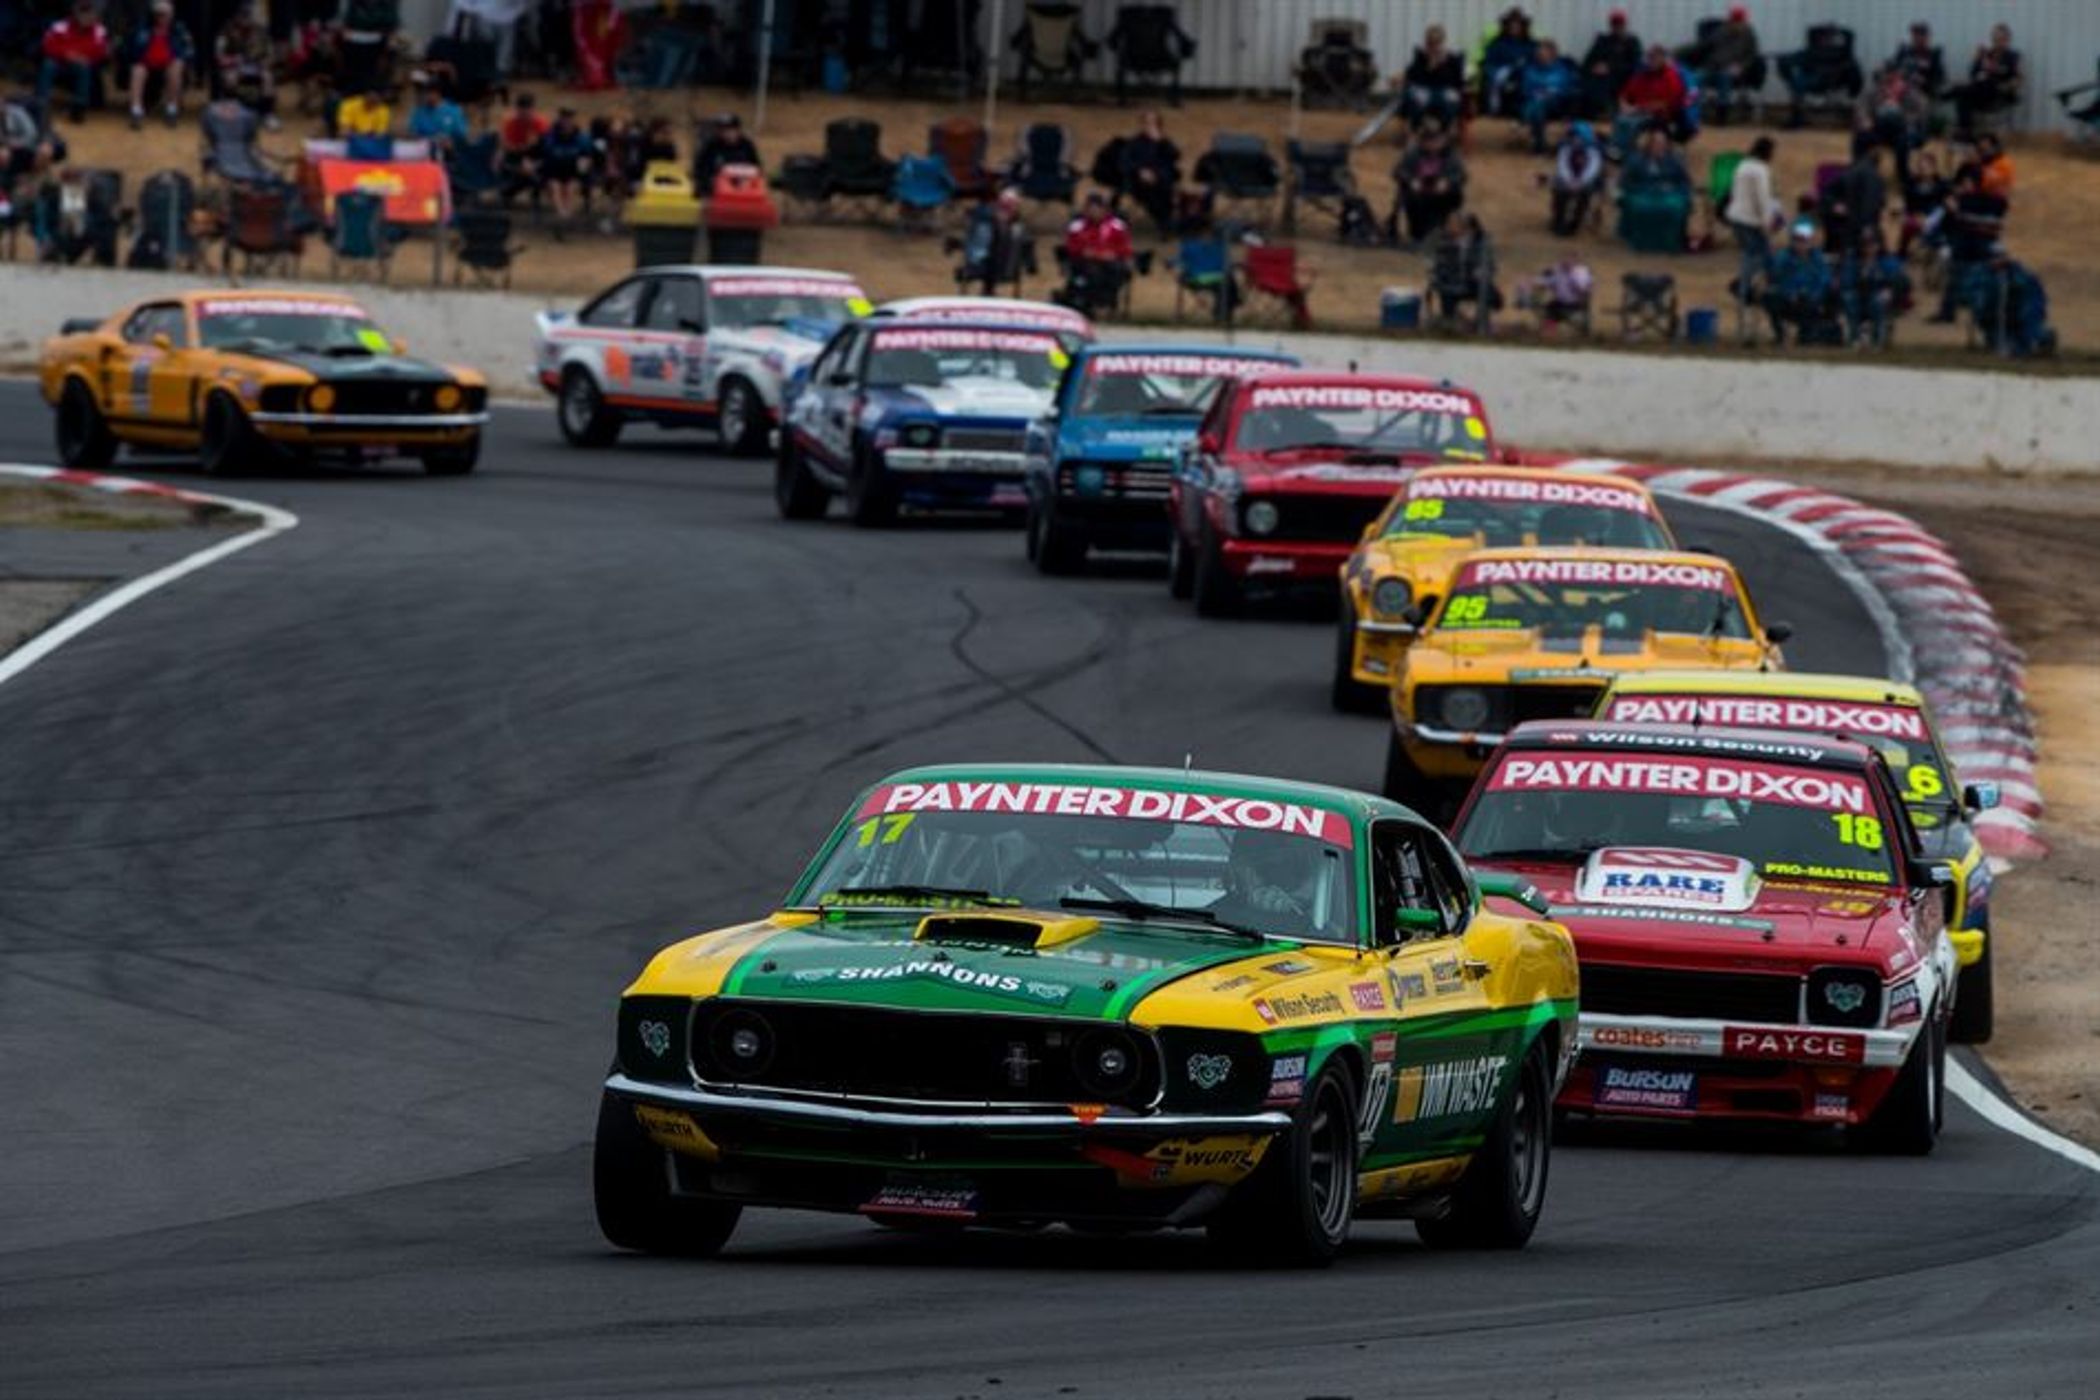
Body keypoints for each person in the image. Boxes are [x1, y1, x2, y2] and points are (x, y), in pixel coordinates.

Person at [1928, 163, 2006, 322]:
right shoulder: (1999, 203)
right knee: (1983, 279)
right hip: (1985, 245)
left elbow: (1957, 210)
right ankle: (1984, 312)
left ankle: (1949, 312)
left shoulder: (1970, 200)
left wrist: (1955, 198)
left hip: (1968, 244)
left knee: (1956, 277)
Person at [1725, 135, 1782, 307]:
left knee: (1752, 255)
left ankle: (1747, 287)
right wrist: (1767, 223)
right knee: (1759, 256)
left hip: (1737, 217)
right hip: (1750, 220)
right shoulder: (1760, 170)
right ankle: (1743, 288)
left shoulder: (1742, 166)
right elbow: (1761, 199)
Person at [1058, 190, 1135, 316]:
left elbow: (1125, 248)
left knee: (1116, 270)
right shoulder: (1077, 226)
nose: (1094, 212)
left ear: (1105, 210)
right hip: (1083, 261)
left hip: (1110, 261)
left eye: (1098, 208)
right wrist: (1085, 252)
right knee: (1092, 271)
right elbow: (1071, 247)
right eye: (1091, 208)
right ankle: (1093, 305)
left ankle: (1107, 304)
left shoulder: (1117, 226)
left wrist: (1113, 254)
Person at [1616, 124, 1691, 250]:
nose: (1660, 146)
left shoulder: (1674, 160)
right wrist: (1649, 188)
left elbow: (1684, 181)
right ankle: (1641, 241)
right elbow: (1625, 182)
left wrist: (1676, 189)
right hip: (1642, 193)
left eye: (1663, 143)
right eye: (1657, 143)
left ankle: (1671, 240)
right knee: (1641, 206)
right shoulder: (1636, 160)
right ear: (1649, 144)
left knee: (1676, 206)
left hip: (1669, 194)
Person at [1390, 119, 1466, 245]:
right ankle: (1417, 233)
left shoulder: (1451, 155)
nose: (1432, 144)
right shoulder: (1413, 153)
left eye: (1436, 140)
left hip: (1442, 194)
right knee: (1410, 198)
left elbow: (1461, 175)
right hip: (1418, 193)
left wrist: (1448, 182)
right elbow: (1398, 171)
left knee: (1452, 197)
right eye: (1428, 140)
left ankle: (1442, 230)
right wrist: (1411, 180)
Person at [1763, 220, 1837, 345]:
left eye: (1804, 240)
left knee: (1819, 300)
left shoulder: (1817, 258)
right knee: (1770, 297)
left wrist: (1811, 294)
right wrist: (1790, 293)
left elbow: (1824, 280)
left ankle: (1808, 334)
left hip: (1811, 300)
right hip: (1789, 299)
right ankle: (1780, 334)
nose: (1801, 244)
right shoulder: (1784, 256)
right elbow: (1776, 275)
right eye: (1797, 240)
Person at [1969, 243, 2051, 357]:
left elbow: (2034, 291)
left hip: (2018, 314)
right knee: (2005, 342)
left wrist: (2015, 287)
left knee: (2029, 327)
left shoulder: (2018, 272)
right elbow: (1973, 294)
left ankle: (2039, 340)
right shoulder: (1979, 273)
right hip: (1993, 318)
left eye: (2001, 256)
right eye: (1994, 257)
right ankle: (2017, 346)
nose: (1998, 260)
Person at [37, 0, 110, 123]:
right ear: (76, 14)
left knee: (84, 68)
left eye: (90, 13)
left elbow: (101, 51)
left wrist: (81, 57)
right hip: (60, 62)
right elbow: (48, 46)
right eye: (84, 13)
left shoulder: (99, 30)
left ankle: (78, 107)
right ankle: (40, 104)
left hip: (83, 64)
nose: (88, 17)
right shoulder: (60, 26)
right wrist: (67, 54)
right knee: (48, 65)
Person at [122, 0, 191, 130]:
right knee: (137, 70)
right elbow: (130, 49)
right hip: (146, 63)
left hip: (169, 62)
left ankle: (172, 109)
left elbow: (188, 49)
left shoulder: (178, 29)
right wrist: (139, 58)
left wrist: (181, 58)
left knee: (176, 67)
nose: (162, 18)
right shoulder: (142, 29)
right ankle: (136, 111)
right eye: (159, 14)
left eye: (165, 14)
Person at [1685, 6, 1760, 124]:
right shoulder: (1720, 31)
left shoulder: (1749, 35)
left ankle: (1722, 113)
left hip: (1732, 68)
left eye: (1738, 21)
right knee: (1695, 78)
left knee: (1724, 77)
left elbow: (1751, 56)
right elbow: (1703, 46)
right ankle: (1694, 110)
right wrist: (1679, 52)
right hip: (1712, 66)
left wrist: (1741, 67)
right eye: (1733, 21)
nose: (1736, 24)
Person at [1839, 226, 1909, 347]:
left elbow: (1901, 281)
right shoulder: (1853, 261)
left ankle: (1877, 338)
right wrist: (1861, 276)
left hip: (1877, 296)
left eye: (1872, 244)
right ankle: (1854, 337)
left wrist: (1890, 291)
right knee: (1849, 299)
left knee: (1877, 301)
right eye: (1865, 244)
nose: (1869, 248)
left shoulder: (1887, 261)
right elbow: (1846, 281)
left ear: (1879, 244)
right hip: (1859, 296)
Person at [1429, 210, 1500, 327]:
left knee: (1485, 289)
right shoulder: (1444, 243)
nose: (1450, 227)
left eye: (1454, 225)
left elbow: (1489, 265)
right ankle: (1449, 322)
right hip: (1450, 281)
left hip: (1473, 282)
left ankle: (1480, 323)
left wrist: (1480, 271)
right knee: (1446, 290)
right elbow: (1438, 265)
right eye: (1450, 224)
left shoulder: (1481, 244)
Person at [1948, 24, 2022, 135]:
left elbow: (2018, 78)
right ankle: (1965, 131)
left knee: (1966, 90)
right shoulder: (1985, 54)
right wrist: (1976, 59)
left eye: (2000, 39)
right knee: (1964, 96)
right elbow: (1973, 74)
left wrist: (2008, 85)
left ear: (2007, 40)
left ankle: (1951, 94)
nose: (1997, 42)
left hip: (1998, 92)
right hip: (1979, 91)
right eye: (1995, 38)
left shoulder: (2012, 57)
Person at [212, 5, 276, 127]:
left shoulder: (261, 32)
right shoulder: (226, 33)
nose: (245, 20)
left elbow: (270, 55)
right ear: (236, 18)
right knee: (230, 78)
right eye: (242, 17)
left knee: (267, 78)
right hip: (235, 68)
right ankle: (231, 115)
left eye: (248, 17)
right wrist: (234, 61)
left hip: (257, 67)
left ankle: (268, 115)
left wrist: (264, 63)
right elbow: (219, 58)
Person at [960, 187, 1030, 296]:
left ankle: (988, 288)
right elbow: (977, 249)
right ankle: (988, 288)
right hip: (984, 264)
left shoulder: (1015, 228)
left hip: (1001, 266)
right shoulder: (984, 223)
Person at [1116, 110, 1179, 231]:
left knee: (1164, 189)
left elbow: (1174, 157)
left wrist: (1162, 142)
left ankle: (1164, 220)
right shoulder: (1134, 142)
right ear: (1142, 125)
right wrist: (1140, 171)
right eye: (1147, 123)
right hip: (1138, 180)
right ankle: (1162, 221)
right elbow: (1125, 162)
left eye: (1153, 123)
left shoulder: (1164, 142)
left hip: (1161, 179)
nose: (1150, 126)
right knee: (1149, 190)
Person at [1619, 43, 1693, 144]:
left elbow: (1668, 104)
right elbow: (1625, 94)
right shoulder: (1641, 76)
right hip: (1638, 114)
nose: (1651, 60)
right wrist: (1624, 105)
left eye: (1654, 57)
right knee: (1621, 120)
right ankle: (1619, 147)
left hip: (1662, 117)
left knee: (1637, 127)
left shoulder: (1671, 76)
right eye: (1649, 57)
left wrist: (1638, 109)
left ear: (1663, 59)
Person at [1517, 39, 1581, 153]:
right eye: (1539, 52)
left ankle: (1537, 140)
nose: (1540, 54)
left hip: (1555, 103)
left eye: (1543, 52)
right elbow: (1525, 89)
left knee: (1537, 107)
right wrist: (1538, 93)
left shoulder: (1562, 70)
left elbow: (1566, 88)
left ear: (1552, 53)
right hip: (1534, 101)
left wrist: (1550, 93)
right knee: (1536, 106)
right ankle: (1538, 141)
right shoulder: (1530, 69)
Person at [1821, 142, 1886, 254]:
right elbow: (1872, 205)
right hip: (1859, 231)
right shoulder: (1872, 176)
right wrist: (1867, 225)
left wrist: (1833, 205)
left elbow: (1826, 194)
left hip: (1841, 228)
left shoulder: (1849, 171)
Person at [1398, 24, 1464, 133]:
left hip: (1443, 90)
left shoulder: (1452, 59)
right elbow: (1413, 77)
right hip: (1425, 90)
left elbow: (1457, 81)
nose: (1434, 46)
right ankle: (1420, 125)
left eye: (1437, 42)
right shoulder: (1421, 57)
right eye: (1430, 43)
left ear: (1442, 42)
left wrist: (1442, 66)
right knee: (1415, 97)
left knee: (1451, 99)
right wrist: (1429, 67)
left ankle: (1443, 127)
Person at [538, 105, 594, 230]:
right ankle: (562, 215)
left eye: (570, 118)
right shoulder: (550, 137)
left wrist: (584, 164)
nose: (567, 121)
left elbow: (587, 157)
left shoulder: (582, 138)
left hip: (573, 172)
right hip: (553, 172)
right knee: (555, 186)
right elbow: (542, 154)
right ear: (560, 119)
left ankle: (566, 216)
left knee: (570, 187)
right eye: (564, 118)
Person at [1547, 120, 1604, 236]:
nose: (1575, 140)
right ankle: (1558, 220)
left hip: (1585, 180)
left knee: (1586, 194)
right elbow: (1562, 165)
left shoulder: (1594, 150)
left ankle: (1575, 223)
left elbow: (1592, 169)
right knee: (1559, 190)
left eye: (1577, 137)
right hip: (1567, 179)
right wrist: (1569, 181)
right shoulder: (1565, 146)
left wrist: (1580, 182)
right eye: (1572, 137)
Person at [1479, 9, 1538, 119]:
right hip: (1500, 78)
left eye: (1517, 25)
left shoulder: (1531, 45)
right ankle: (1494, 111)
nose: (1514, 27)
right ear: (1506, 26)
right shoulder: (1496, 43)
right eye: (1511, 25)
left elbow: (1536, 64)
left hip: (1522, 78)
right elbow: (1488, 63)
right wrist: (1496, 74)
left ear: (1523, 26)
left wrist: (1518, 71)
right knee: (1491, 81)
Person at [1579, 9, 1640, 117]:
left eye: (1620, 24)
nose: (1617, 27)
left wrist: (1610, 68)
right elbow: (1587, 61)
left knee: (1605, 83)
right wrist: (1594, 67)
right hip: (1598, 77)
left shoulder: (1632, 42)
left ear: (1624, 25)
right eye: (1614, 24)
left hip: (1620, 77)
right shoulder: (1602, 41)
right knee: (1587, 83)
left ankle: (1606, 110)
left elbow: (1634, 65)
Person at [1516, 253, 1592, 332]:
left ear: (1575, 261)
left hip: (1575, 304)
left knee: (1554, 311)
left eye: (1569, 260)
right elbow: (1548, 281)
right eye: (1564, 261)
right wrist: (1529, 282)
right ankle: (1550, 333)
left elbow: (1584, 288)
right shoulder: (1560, 273)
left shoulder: (1581, 272)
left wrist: (1580, 288)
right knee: (1548, 311)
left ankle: (1578, 328)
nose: (1565, 262)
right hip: (1561, 303)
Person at [339, 0, 399, 97]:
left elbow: (392, 27)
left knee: (390, 52)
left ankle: (376, 89)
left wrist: (388, 39)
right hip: (355, 41)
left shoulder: (387, 5)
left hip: (378, 42)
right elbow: (347, 23)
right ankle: (348, 88)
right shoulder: (355, 4)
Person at [1897, 148, 1951, 256]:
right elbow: (1906, 206)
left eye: (1926, 167)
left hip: (1934, 221)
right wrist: (1913, 217)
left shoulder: (1942, 186)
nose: (1922, 169)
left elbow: (1945, 207)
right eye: (1920, 167)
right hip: (1914, 219)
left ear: (1933, 168)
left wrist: (1928, 220)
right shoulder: (1911, 185)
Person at [498, 90, 549, 204]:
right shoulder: (512, 122)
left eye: (527, 112)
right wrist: (521, 153)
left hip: (537, 156)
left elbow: (543, 146)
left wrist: (530, 159)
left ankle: (525, 188)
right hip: (517, 155)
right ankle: (511, 190)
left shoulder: (540, 122)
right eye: (521, 112)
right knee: (516, 168)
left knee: (533, 170)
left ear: (532, 110)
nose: (524, 116)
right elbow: (508, 146)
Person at [692, 111, 758, 191]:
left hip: (743, 189)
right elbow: (700, 170)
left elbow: (756, 168)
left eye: (730, 129)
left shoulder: (746, 146)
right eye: (722, 130)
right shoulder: (711, 146)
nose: (727, 133)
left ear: (738, 130)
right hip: (715, 190)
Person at [1886, 21, 1947, 100]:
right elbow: (1893, 67)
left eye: (1921, 35)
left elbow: (1940, 78)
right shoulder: (1904, 52)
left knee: (1914, 99)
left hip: (1922, 92)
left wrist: (1924, 81)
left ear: (1927, 37)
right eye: (1915, 35)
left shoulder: (1933, 55)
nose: (1918, 38)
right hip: (1900, 88)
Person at [406, 72, 466, 151]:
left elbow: (461, 136)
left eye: (428, 92)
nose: (425, 95)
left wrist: (451, 143)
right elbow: (412, 133)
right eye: (424, 92)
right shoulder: (419, 112)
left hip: (448, 153)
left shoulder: (453, 111)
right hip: (424, 152)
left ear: (437, 92)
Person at [1974, 131, 2014, 199]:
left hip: (1995, 194)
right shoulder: (1977, 160)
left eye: (1986, 144)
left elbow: (2006, 181)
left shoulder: (2003, 161)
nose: (1983, 146)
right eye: (1981, 143)